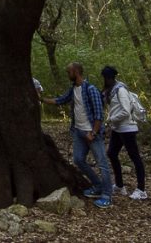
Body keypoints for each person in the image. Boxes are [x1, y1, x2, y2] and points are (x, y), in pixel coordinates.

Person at [41, 63, 112, 208]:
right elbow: (60, 100)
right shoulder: (73, 89)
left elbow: (99, 114)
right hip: (79, 132)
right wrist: (41, 99)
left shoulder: (90, 90)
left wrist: (93, 132)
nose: (68, 74)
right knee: (79, 160)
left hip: (92, 133)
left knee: (102, 163)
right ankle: (97, 186)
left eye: (69, 72)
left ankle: (107, 194)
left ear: (76, 72)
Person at [102, 66, 148, 200]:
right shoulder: (111, 90)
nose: (105, 80)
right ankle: (120, 185)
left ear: (110, 77)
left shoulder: (121, 90)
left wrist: (110, 119)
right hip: (118, 128)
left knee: (135, 157)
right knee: (112, 153)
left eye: (106, 78)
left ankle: (141, 189)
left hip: (127, 128)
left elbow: (126, 111)